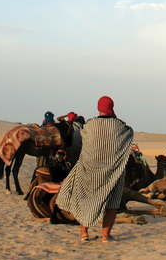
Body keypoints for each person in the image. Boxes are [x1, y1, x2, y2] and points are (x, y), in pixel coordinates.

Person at [56, 96, 133, 243]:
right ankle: (106, 236)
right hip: (111, 172)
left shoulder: (89, 124)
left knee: (85, 198)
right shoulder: (119, 126)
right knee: (112, 202)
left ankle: (84, 233)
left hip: (89, 169)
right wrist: (115, 118)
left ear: (98, 108)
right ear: (112, 108)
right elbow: (129, 133)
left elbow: (81, 141)